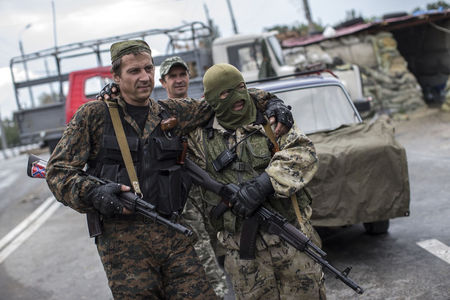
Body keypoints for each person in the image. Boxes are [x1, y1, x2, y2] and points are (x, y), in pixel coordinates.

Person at [47, 40, 294, 299]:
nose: (144, 77)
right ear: (116, 77)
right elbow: (58, 172)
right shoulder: (93, 115)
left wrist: (271, 102)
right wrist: (94, 193)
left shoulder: (170, 111)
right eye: (134, 71)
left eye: (148, 68)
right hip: (123, 244)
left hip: (172, 232)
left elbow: (224, 98)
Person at [186, 63, 327, 299]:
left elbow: (304, 153)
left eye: (241, 87)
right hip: (243, 256)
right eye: (225, 93)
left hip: (292, 242)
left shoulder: (273, 121)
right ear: (212, 99)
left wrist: (265, 183)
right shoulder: (199, 137)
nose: (237, 97)